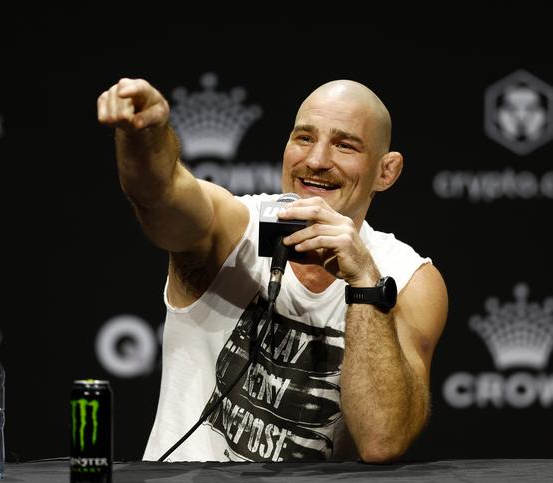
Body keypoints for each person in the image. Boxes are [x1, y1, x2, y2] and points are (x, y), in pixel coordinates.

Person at [97, 77, 448, 463]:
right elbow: (160, 193)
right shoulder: (230, 230)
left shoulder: (408, 278)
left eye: (344, 144)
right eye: (304, 138)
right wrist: (145, 137)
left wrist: (364, 282)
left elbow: (382, 440)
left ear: (387, 171)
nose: (316, 160)